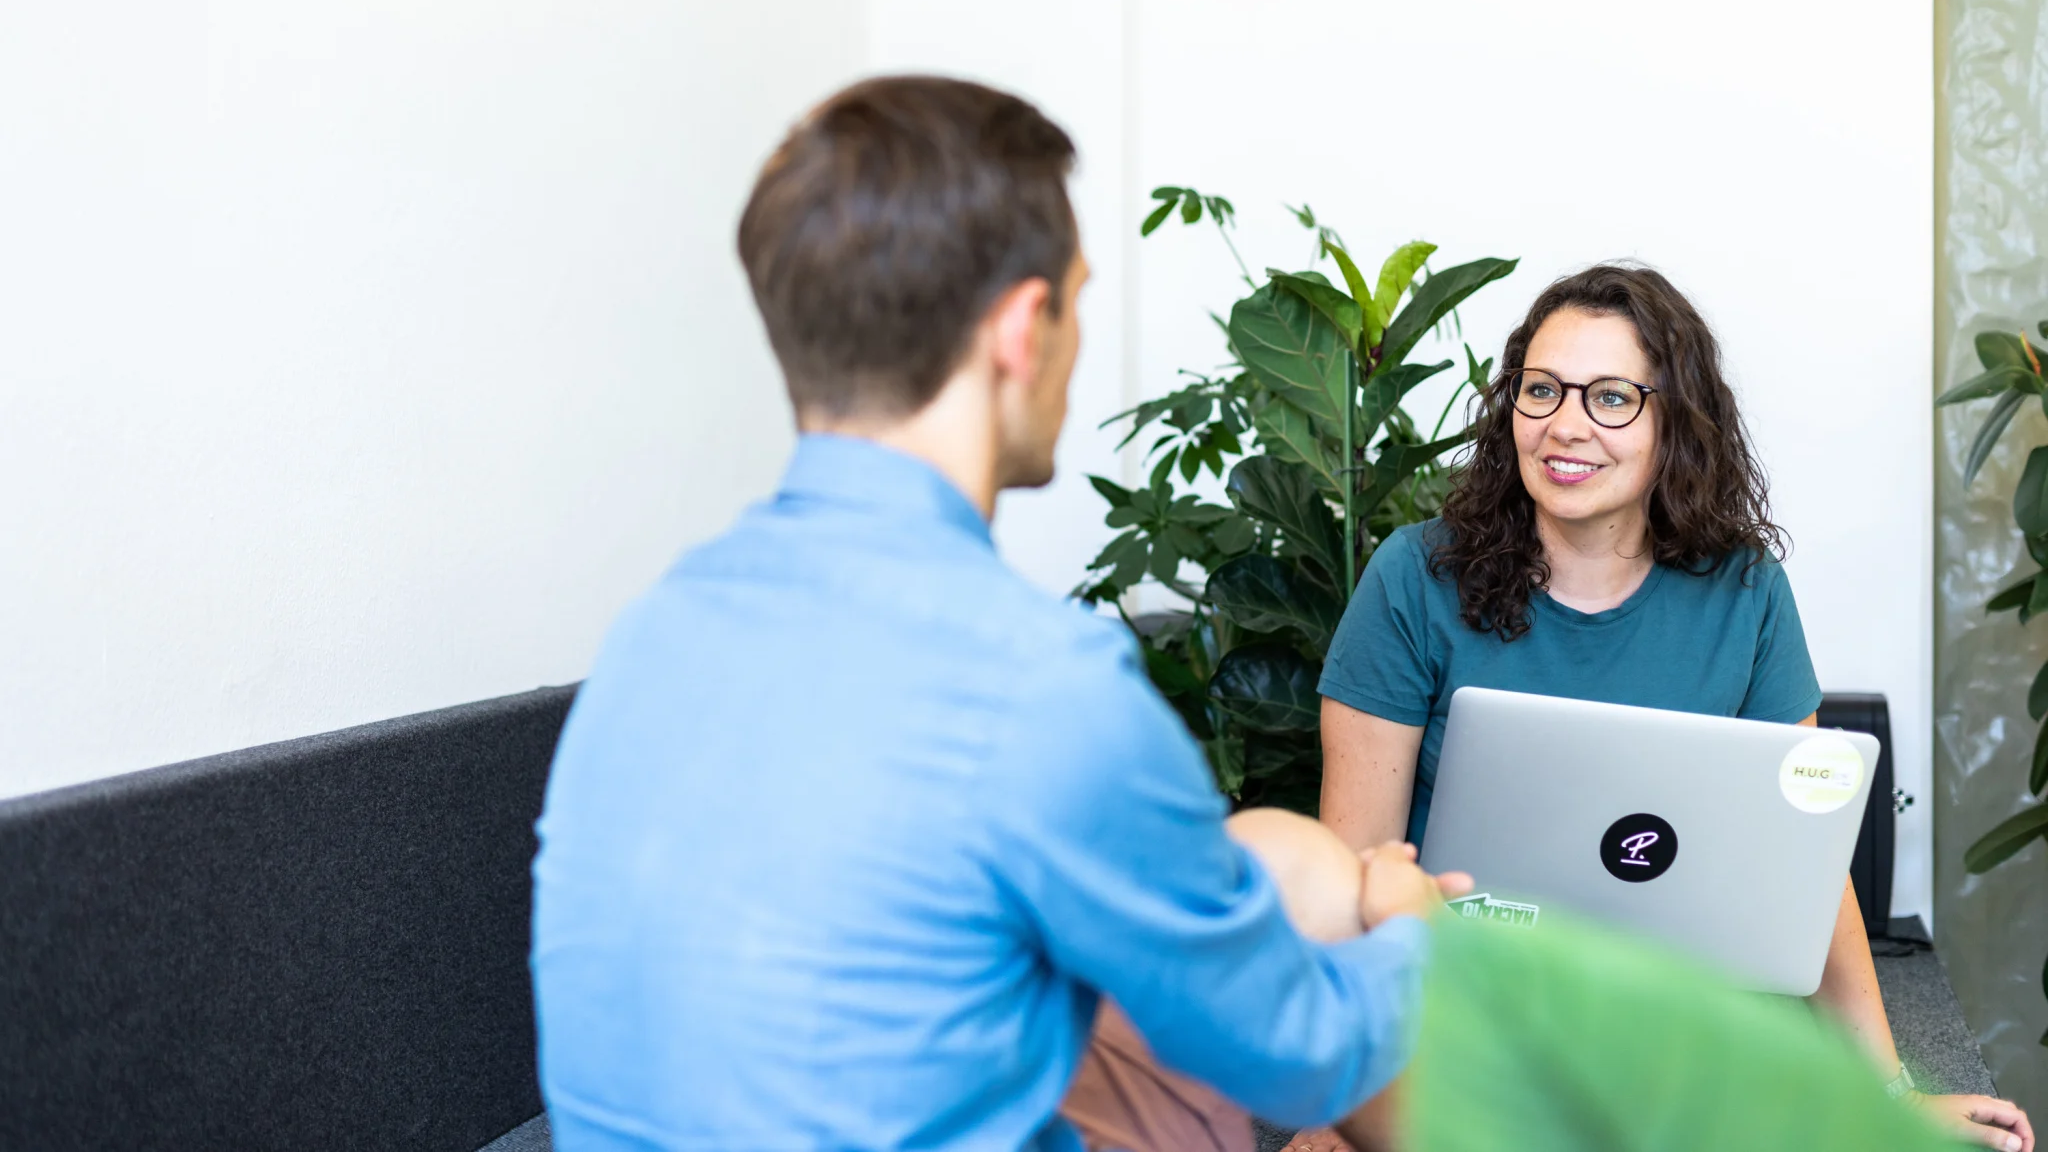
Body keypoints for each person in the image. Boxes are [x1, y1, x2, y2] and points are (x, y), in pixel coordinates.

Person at [529, 74, 1468, 1152]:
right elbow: (1307, 1055)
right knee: (1349, 921)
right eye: (1075, 297)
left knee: (1282, 862)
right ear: (1023, 328)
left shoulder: (658, 630)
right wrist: (1409, 931)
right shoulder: (1037, 686)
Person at [1314, 263, 2033, 1152]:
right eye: (1539, 390)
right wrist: (1346, 1102)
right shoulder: (1411, 580)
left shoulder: (1747, 592)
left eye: (1611, 396)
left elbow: (1804, 864)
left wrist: (1885, 1093)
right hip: (1474, 1029)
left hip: (1688, 1032)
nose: (1564, 424)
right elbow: (1348, 873)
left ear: (1673, 422)